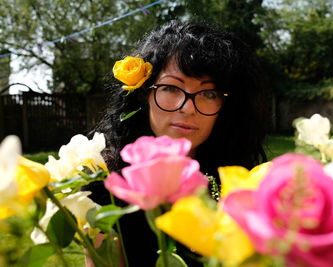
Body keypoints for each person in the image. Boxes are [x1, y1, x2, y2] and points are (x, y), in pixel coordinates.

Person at [89, 20, 271, 266]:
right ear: (145, 93)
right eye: (172, 88)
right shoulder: (107, 187)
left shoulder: (239, 180)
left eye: (208, 94)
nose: (187, 108)